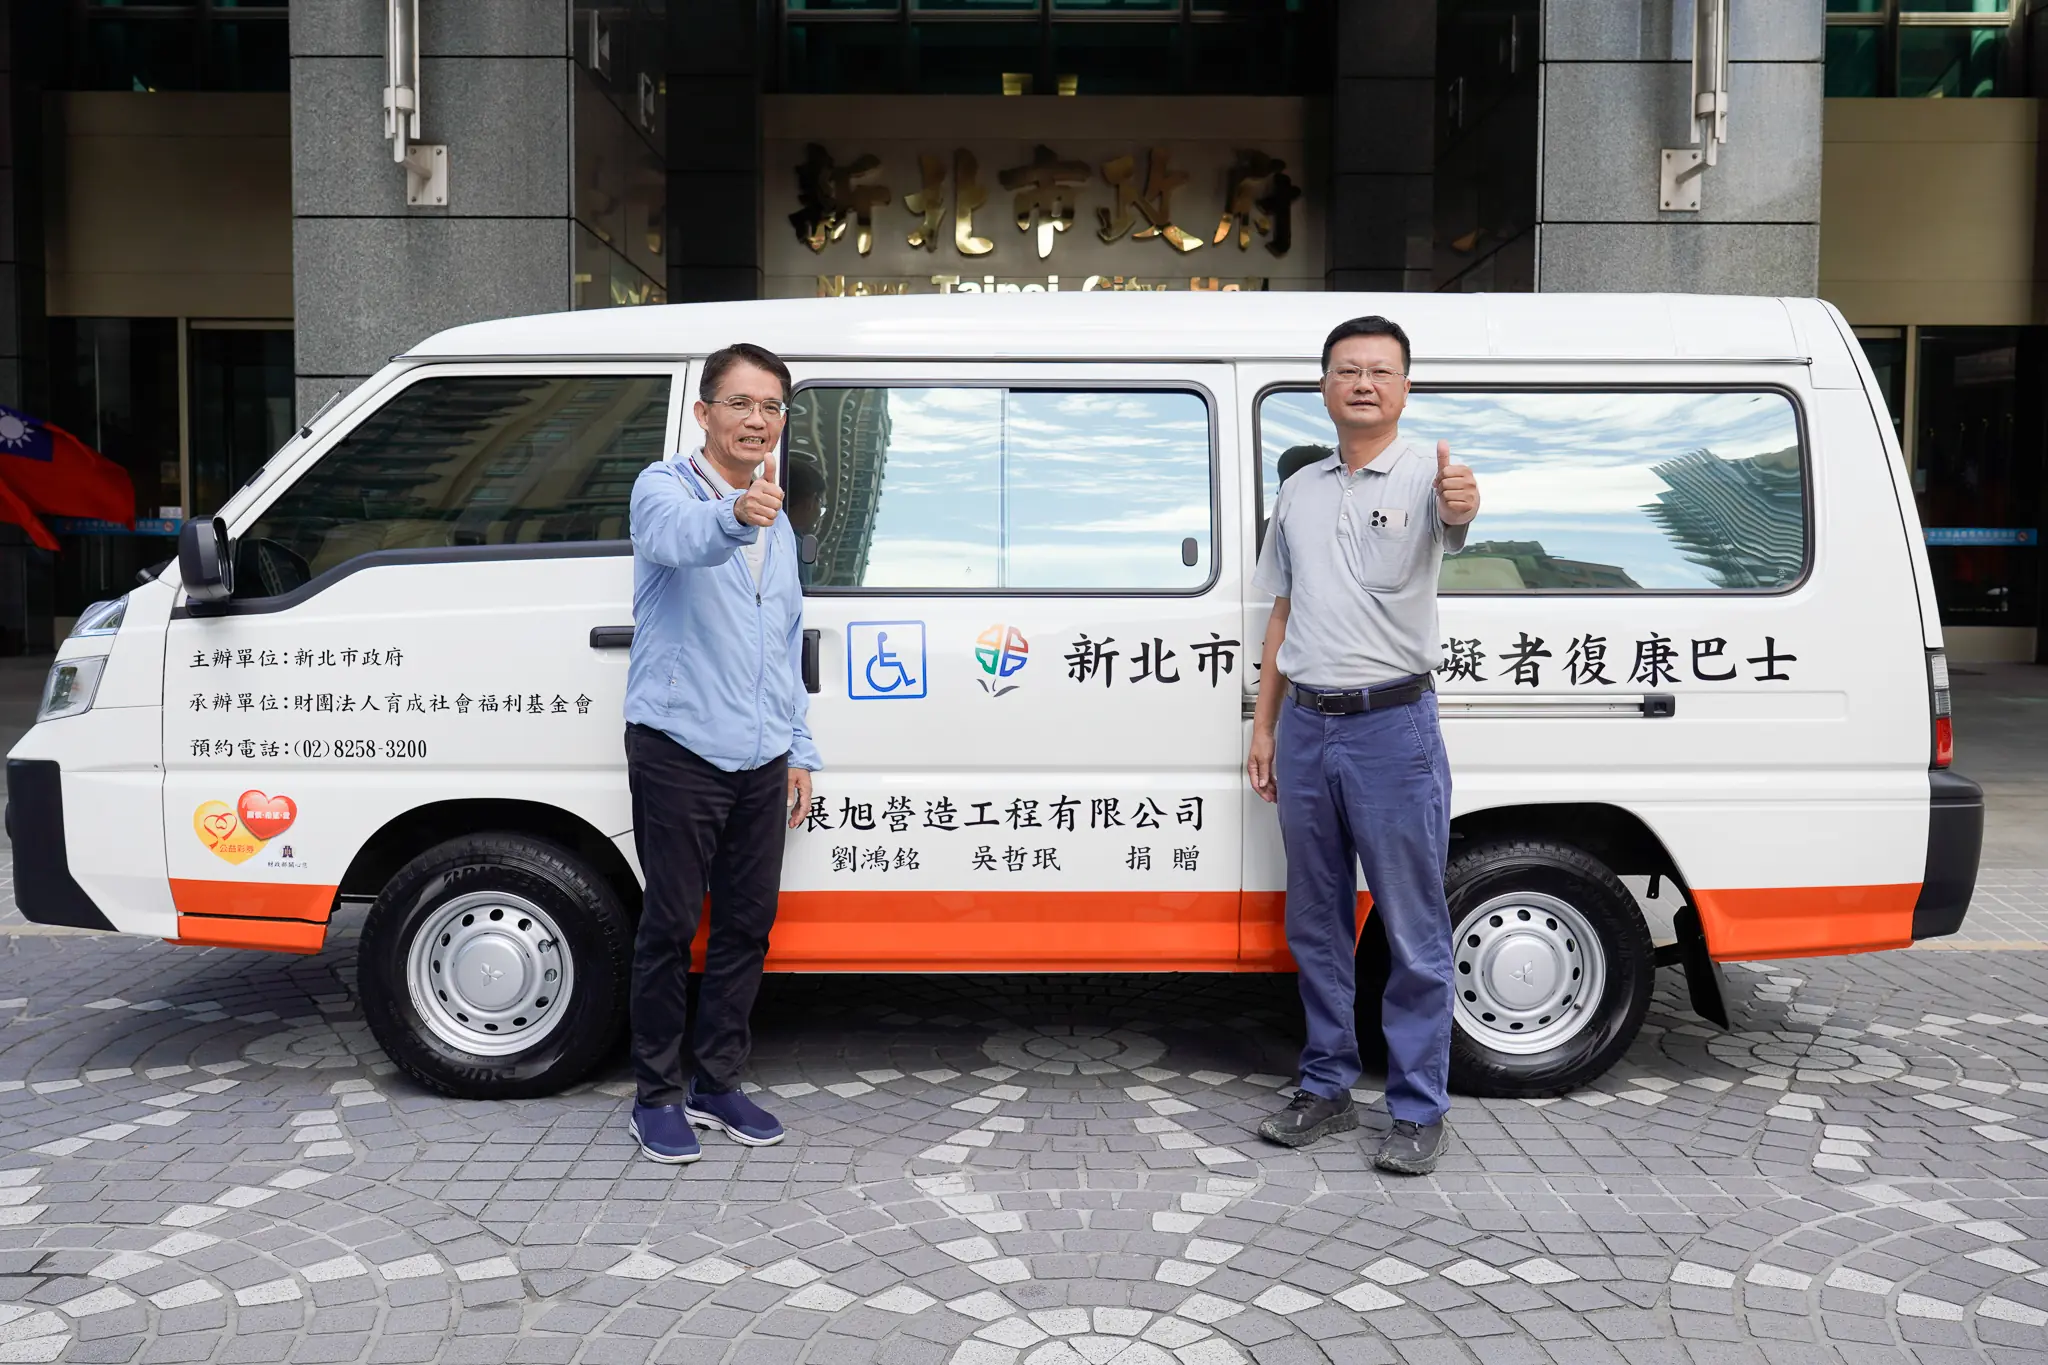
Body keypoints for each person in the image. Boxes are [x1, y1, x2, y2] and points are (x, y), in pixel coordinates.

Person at [1246, 316, 1480, 1176]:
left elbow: (1458, 518)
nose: (1364, 383)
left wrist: (1463, 504)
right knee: (1315, 921)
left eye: (1381, 370)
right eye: (1348, 369)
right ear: (1324, 386)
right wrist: (1265, 724)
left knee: (1413, 927)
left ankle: (1418, 1108)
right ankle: (1326, 1085)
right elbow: (1283, 610)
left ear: (1405, 388)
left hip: (1393, 727)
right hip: (1307, 726)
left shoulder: (1430, 476)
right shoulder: (1300, 488)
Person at [623, 342, 821, 1165]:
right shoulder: (665, 487)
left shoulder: (780, 519)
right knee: (670, 925)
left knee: (746, 924)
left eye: (772, 406)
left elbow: (784, 638)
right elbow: (676, 539)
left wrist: (798, 746)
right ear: (704, 412)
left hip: (761, 753)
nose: (757, 419)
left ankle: (717, 1081)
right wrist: (735, 514)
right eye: (740, 402)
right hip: (679, 745)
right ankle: (655, 1094)